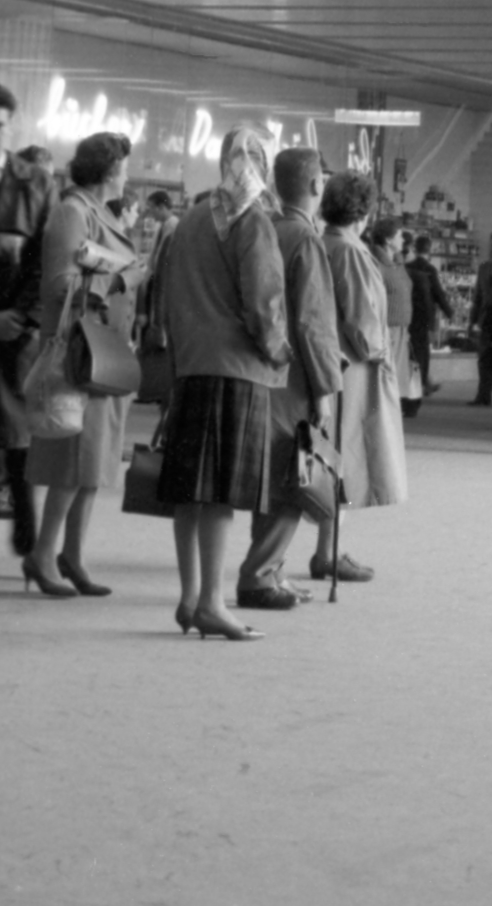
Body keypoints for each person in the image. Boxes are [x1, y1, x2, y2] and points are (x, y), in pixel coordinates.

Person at [154, 124, 291, 641]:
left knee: (191, 491)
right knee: (219, 495)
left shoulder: (189, 220)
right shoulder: (252, 220)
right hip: (236, 371)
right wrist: (280, 353)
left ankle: (190, 597)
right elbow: (265, 303)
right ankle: (213, 601)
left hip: (191, 367)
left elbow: (167, 296)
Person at [21, 132, 146, 600]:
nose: (128, 174)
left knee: (92, 464)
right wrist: (122, 278)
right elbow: (59, 285)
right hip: (81, 354)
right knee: (73, 464)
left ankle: (72, 555)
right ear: (111, 170)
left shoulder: (95, 212)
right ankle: (45, 553)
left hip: (103, 353)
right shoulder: (72, 212)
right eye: (125, 166)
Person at [242, 147, 346, 601]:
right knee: (294, 474)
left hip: (260, 370)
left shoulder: (264, 228)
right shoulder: (306, 240)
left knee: (272, 473)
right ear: (317, 185)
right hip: (296, 375)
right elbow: (313, 321)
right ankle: (260, 574)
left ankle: (271, 567)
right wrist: (325, 388)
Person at [0, 80, 54, 552]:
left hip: (16, 327)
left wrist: (20, 317)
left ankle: (27, 528)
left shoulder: (35, 182)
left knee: (17, 430)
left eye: (0, 124)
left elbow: (48, 258)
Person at [320, 173, 407, 564]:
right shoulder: (350, 251)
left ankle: (329, 548)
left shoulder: (328, 243)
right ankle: (330, 551)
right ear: (365, 211)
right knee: (347, 458)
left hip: (335, 363)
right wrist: (381, 354)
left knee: (336, 458)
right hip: (353, 368)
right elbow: (361, 318)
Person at [364, 218, 412, 422]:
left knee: (397, 378)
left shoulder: (397, 262)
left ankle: (391, 415)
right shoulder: (376, 263)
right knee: (386, 376)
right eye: (400, 235)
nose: (403, 239)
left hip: (401, 328)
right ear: (388, 239)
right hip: (387, 328)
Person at [405, 235, 451, 414]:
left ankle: (424, 384)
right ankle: (421, 388)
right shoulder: (429, 269)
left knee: (411, 356)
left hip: (409, 318)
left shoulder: (408, 267)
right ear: (430, 249)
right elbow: (438, 293)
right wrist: (449, 311)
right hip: (423, 319)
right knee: (421, 356)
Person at [468, 232, 492, 405]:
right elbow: (478, 296)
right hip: (486, 321)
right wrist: (472, 321)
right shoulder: (484, 267)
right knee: (484, 361)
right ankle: (483, 396)